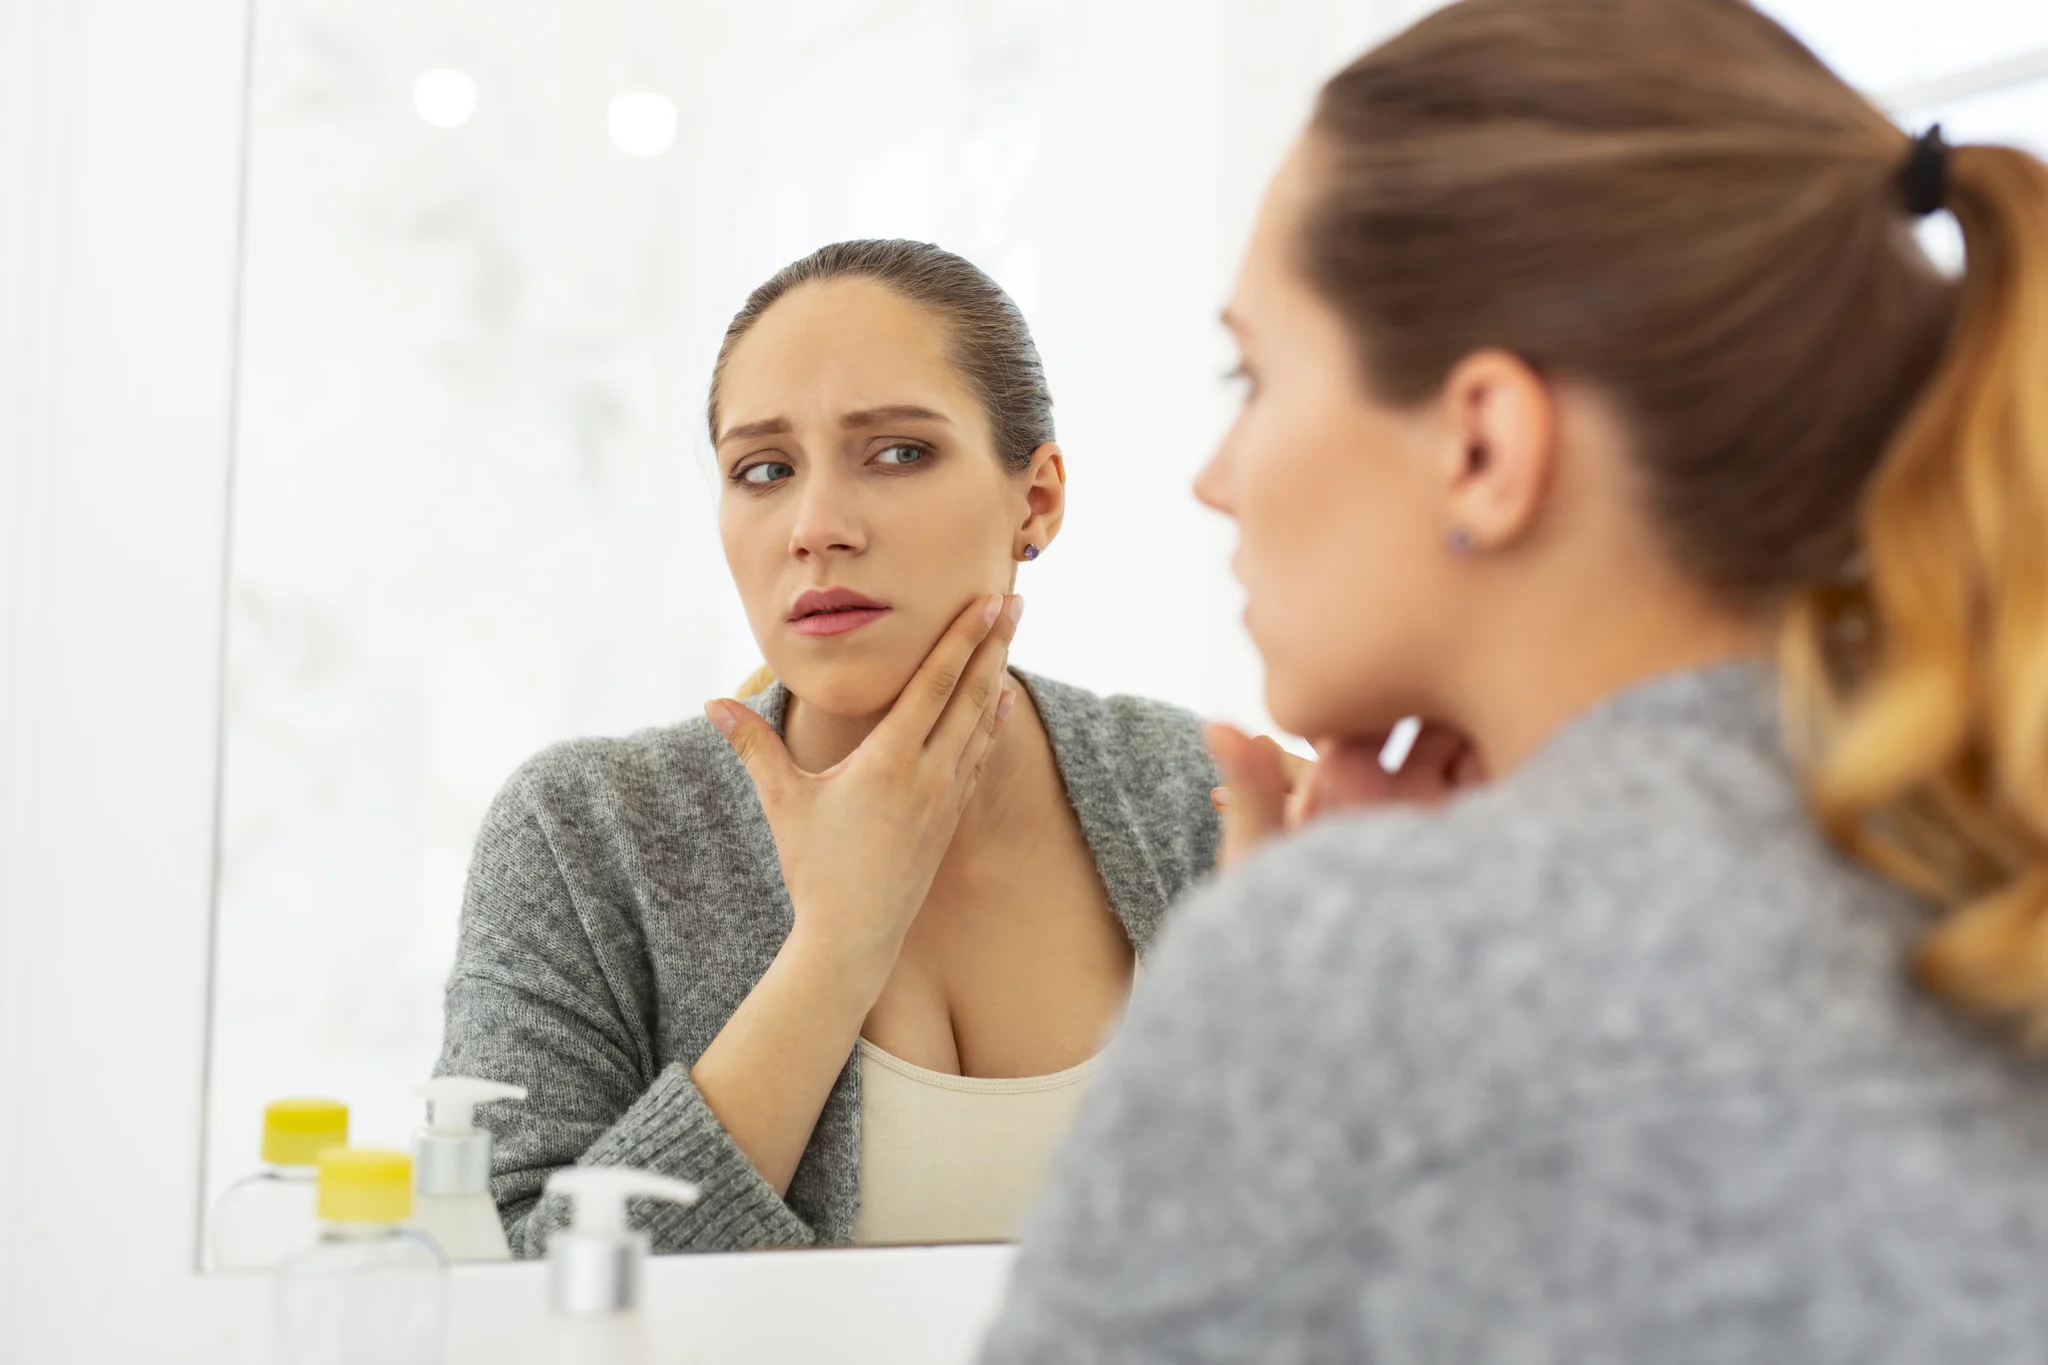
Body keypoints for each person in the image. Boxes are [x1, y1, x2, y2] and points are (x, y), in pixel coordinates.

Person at [981, 1, 2048, 1360]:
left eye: (1252, 374)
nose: (1213, 477)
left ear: (1482, 445)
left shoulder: (1343, 970)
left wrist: (1306, 993)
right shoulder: (1993, 884)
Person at [436, 240, 1227, 1253]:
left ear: (1035, 499)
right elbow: (513, 1292)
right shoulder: (579, 834)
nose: (815, 527)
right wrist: (836, 947)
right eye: (763, 470)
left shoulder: (1201, 803)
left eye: (897, 453)